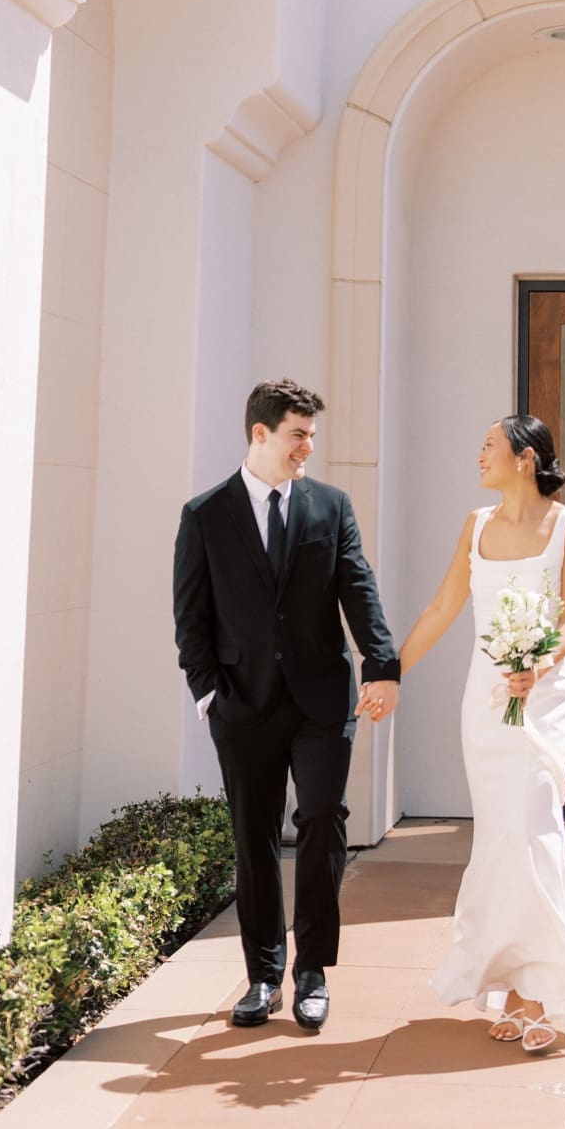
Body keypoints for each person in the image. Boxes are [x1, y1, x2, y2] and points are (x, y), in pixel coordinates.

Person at [173, 377, 401, 1034]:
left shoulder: (331, 506)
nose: (308, 448)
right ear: (261, 433)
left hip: (323, 699)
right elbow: (191, 616)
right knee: (255, 836)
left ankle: (312, 972)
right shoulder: (205, 515)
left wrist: (381, 665)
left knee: (325, 819)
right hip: (242, 706)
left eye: (312, 436)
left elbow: (359, 589)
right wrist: (209, 692)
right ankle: (264, 972)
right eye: (299, 434)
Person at [387, 413, 565, 1056]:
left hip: (544, 697)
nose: (477, 456)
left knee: (535, 827)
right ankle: (512, 984)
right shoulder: (475, 527)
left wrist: (538, 665)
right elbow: (442, 608)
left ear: (524, 459)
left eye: (488, 446)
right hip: (484, 703)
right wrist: (386, 675)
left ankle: (540, 993)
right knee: (500, 838)